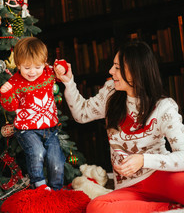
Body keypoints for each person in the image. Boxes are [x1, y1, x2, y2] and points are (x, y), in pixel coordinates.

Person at [55, 40, 184, 212]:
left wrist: (143, 160)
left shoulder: (164, 107)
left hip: (162, 178)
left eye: (117, 67)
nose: (110, 71)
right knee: (96, 207)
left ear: (135, 71)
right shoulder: (110, 94)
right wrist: (69, 82)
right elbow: (81, 114)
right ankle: (169, 207)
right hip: (129, 187)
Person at [0, 37, 66, 191]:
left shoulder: (49, 72)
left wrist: (62, 67)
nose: (33, 72)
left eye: (37, 67)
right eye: (27, 68)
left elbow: (61, 67)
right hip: (26, 130)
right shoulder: (15, 82)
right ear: (18, 64)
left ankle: (56, 191)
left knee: (56, 160)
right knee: (37, 152)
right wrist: (5, 94)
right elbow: (11, 106)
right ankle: (40, 185)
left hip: (50, 128)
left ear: (44, 63)